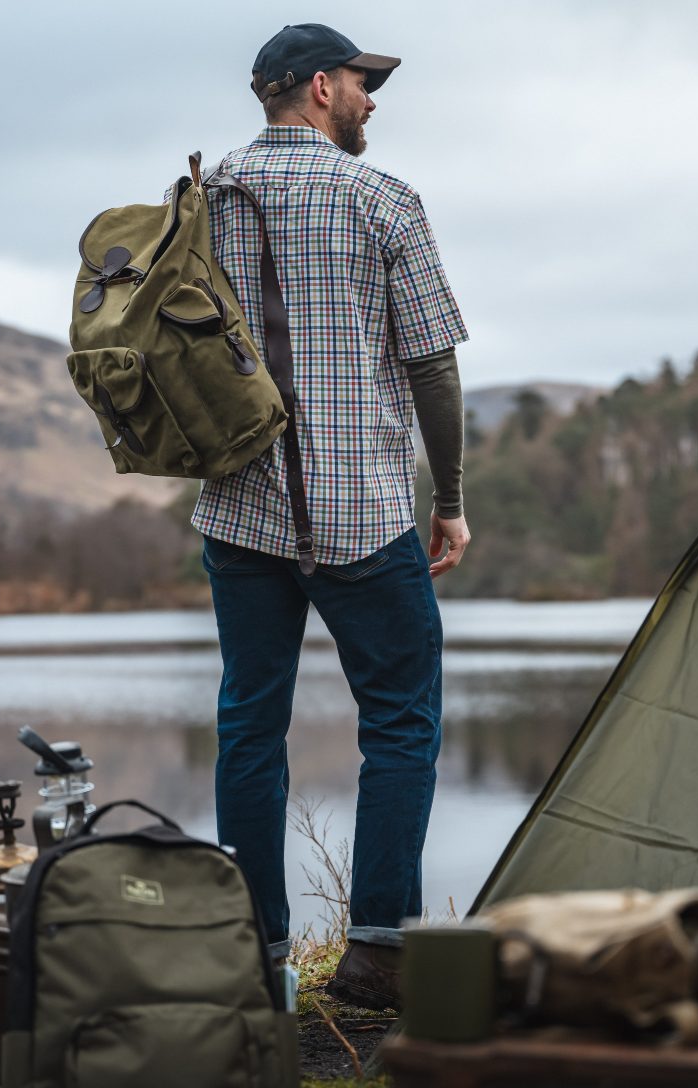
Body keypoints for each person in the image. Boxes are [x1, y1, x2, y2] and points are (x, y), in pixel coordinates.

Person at [196, 22, 470, 1008]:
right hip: (362, 511)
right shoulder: (383, 197)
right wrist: (451, 501)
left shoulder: (205, 196)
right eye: (361, 82)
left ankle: (254, 956)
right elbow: (431, 364)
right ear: (319, 87)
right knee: (401, 722)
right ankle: (377, 950)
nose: (370, 99)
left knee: (249, 726)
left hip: (238, 511)